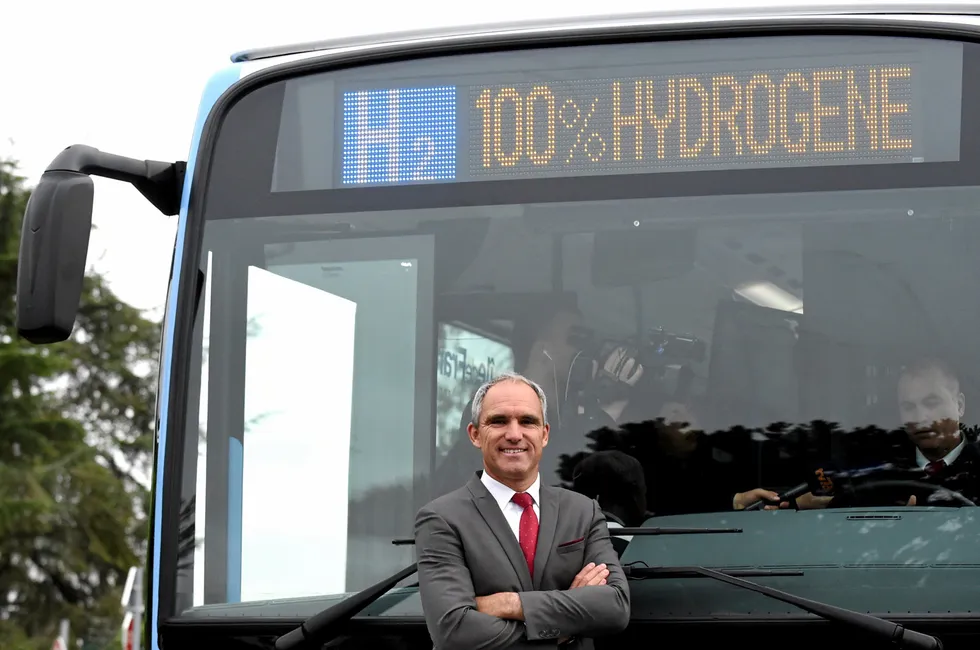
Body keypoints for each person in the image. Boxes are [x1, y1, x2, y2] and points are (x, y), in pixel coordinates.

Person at [415, 372, 631, 650]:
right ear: (475, 435)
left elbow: (615, 607)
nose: (514, 434)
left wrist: (509, 603)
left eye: (527, 421)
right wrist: (562, 630)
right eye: (499, 421)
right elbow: (454, 630)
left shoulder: (583, 511)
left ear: (544, 434)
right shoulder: (441, 519)